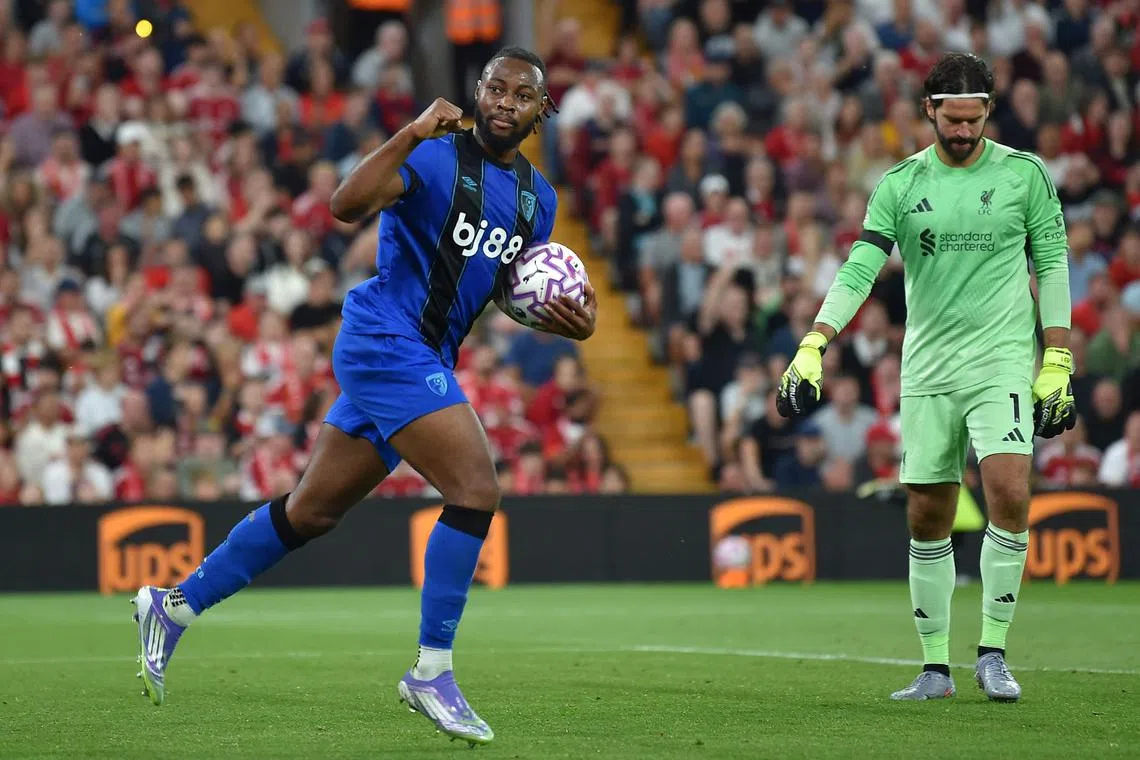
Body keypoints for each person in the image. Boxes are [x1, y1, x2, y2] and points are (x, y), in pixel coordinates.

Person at [131, 48, 596, 746]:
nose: (503, 102)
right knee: (475, 487)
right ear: (476, 92)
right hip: (385, 338)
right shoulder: (435, 155)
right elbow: (344, 206)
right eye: (493, 88)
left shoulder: (540, 201)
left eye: (520, 95)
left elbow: (503, 286)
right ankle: (431, 671)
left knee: (309, 513)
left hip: (426, 354)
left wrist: (574, 322)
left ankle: (173, 607)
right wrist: (409, 132)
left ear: (541, 111)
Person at [774, 53, 1073, 703]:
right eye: (952, 118)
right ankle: (935, 668)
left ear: (989, 109)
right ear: (927, 111)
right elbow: (859, 268)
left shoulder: (1026, 175)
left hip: (1000, 360)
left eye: (975, 118)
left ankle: (992, 652)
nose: (964, 131)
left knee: (1009, 489)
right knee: (927, 513)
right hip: (929, 366)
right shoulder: (900, 184)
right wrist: (813, 343)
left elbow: (1051, 262)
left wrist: (1056, 358)